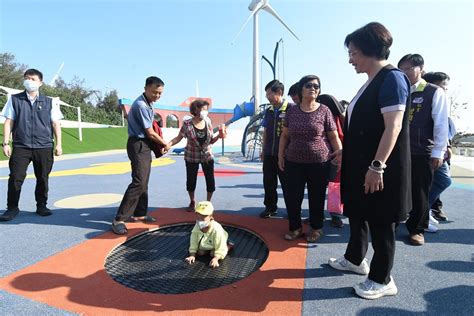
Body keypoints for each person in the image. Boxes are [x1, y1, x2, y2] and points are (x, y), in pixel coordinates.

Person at [328, 22, 411, 300]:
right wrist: (346, 152)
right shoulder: (371, 82)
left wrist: (377, 166)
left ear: (369, 50)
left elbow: (393, 126)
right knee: (359, 213)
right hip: (360, 166)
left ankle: (382, 278)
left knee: (381, 221)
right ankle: (354, 259)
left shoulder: (392, 78)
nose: (350, 59)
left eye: (353, 52)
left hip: (380, 169)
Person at [278, 75, 342, 243]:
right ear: (301, 89)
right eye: (309, 85)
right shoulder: (291, 111)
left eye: (316, 86)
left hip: (319, 163)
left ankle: (316, 227)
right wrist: (280, 156)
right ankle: (295, 228)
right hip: (293, 162)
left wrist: (340, 153)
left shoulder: (324, 110)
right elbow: (285, 136)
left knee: (317, 197)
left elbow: (333, 136)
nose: (313, 88)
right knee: (293, 197)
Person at [398, 55, 448, 245]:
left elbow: (441, 124)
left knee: (420, 192)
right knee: (397, 188)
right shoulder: (399, 90)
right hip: (399, 151)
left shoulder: (433, 92)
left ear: (421, 69)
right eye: (401, 69)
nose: (404, 73)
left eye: (409, 68)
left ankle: (417, 229)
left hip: (422, 151)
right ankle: (396, 218)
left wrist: (438, 152)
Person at [1, 68, 63, 221]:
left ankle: (41, 205)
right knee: (15, 177)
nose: (29, 81)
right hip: (21, 146)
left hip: (44, 146)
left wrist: (59, 145)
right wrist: (5, 143)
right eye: (27, 78)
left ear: (40, 83)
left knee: (42, 177)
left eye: (33, 79)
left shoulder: (49, 102)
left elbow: (56, 124)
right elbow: (9, 121)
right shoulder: (15, 99)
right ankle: (12, 208)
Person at [111, 76, 168, 235]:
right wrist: (164, 143)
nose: (157, 96)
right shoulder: (142, 105)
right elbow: (149, 132)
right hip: (138, 144)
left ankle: (139, 213)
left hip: (144, 145)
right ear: (146, 88)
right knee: (139, 181)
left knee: (144, 180)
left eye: (160, 93)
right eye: (154, 92)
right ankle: (119, 219)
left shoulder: (148, 104)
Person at [166, 99, 222, 210]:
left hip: (207, 156)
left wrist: (219, 136)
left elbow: (210, 140)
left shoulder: (208, 122)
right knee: (191, 180)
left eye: (207, 110)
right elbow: (179, 137)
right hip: (191, 156)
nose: (206, 112)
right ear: (196, 110)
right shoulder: (187, 124)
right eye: (203, 109)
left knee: (210, 180)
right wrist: (169, 144)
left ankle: (208, 203)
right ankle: (192, 201)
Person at [422, 72, 453, 224]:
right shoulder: (425, 101)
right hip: (429, 150)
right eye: (442, 87)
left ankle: (424, 210)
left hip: (440, 151)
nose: (444, 91)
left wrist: (447, 146)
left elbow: (444, 129)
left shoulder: (443, 104)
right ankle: (421, 211)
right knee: (443, 180)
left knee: (434, 181)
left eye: (446, 88)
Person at [259, 80, 290, 218]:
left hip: (286, 155)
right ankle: (270, 207)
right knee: (269, 182)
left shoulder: (291, 108)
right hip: (269, 154)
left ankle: (292, 209)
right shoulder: (269, 111)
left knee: (288, 184)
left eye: (270, 94)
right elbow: (265, 131)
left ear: (279, 92)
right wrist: (263, 150)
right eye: (266, 95)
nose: (268, 97)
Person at [317, 94, 346, 228]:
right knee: (334, 188)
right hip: (333, 158)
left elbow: (338, 137)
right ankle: (334, 216)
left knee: (331, 188)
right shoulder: (341, 119)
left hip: (332, 158)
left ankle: (333, 216)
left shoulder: (332, 119)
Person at [185, 201, 231, 268]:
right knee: (201, 252)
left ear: (211, 218)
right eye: (198, 218)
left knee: (213, 254)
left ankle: (229, 246)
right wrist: (192, 255)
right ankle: (207, 250)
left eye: (203, 219)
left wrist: (216, 258)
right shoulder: (197, 226)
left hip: (217, 242)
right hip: (206, 242)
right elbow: (193, 241)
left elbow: (220, 246)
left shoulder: (217, 229)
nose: (200, 221)